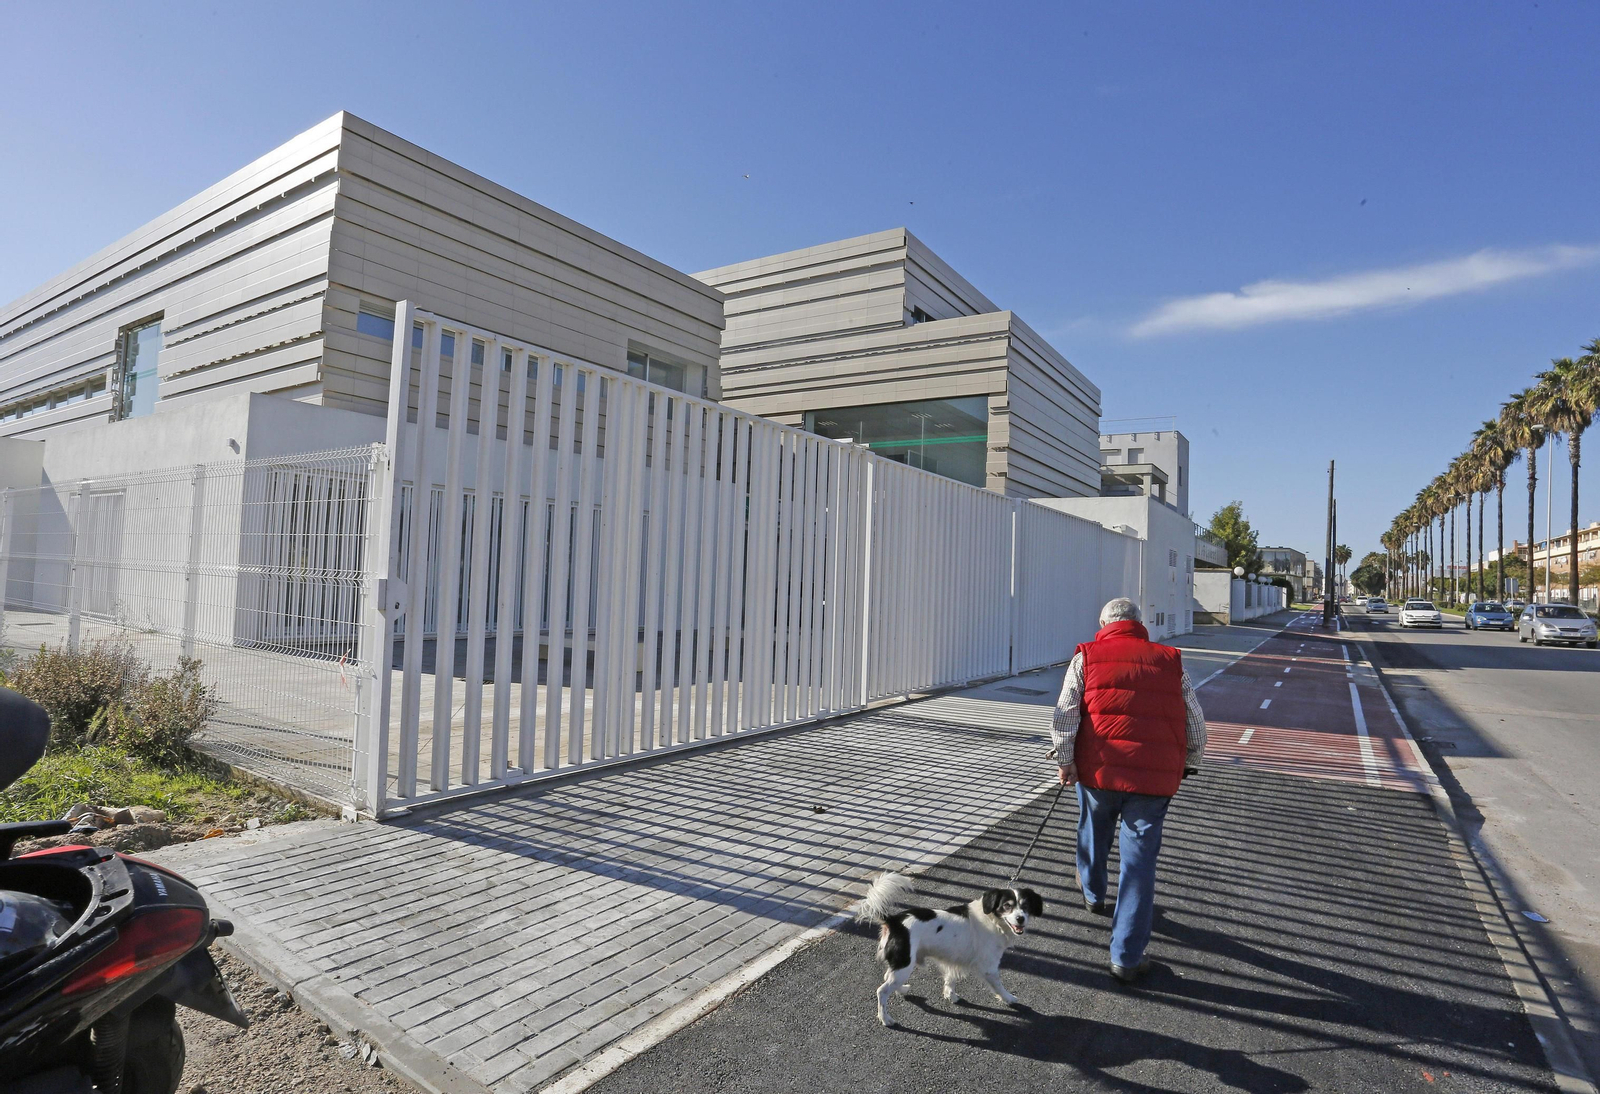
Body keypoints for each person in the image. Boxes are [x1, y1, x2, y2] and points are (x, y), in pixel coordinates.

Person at [1050, 597, 1206, 984]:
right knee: (1139, 866)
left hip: (1099, 772)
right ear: (1140, 623)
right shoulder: (1170, 659)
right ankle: (1126, 958)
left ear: (1103, 622)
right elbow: (1195, 720)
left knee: (1093, 829)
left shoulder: (1087, 655)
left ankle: (1092, 892)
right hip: (1152, 782)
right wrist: (1191, 761)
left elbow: (1066, 711)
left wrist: (1065, 759)